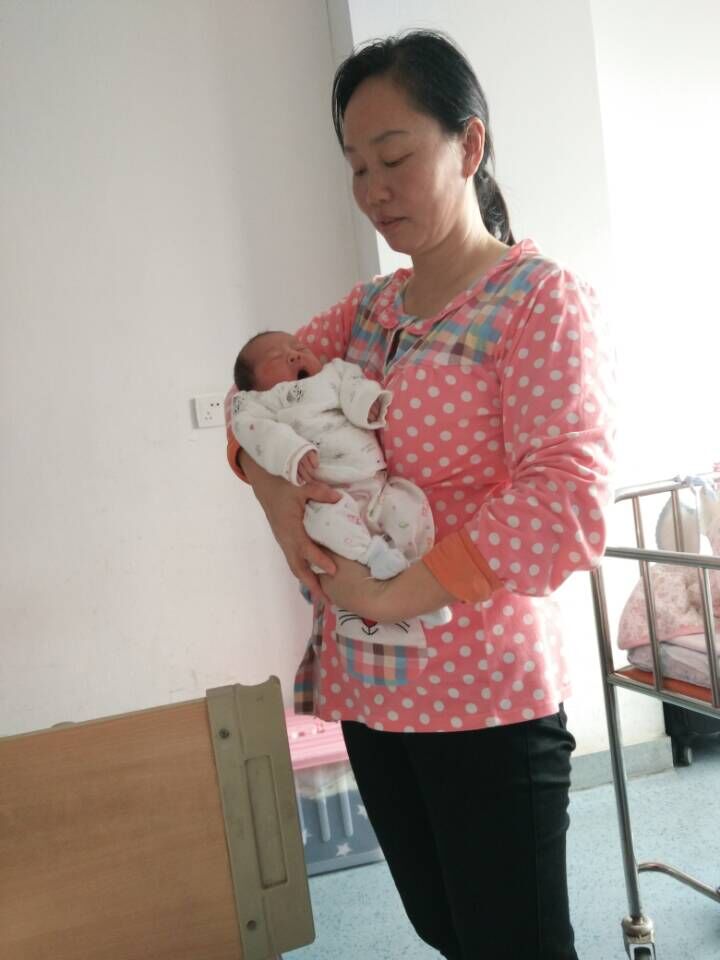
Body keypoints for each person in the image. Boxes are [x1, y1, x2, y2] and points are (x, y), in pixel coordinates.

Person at [225, 30, 614, 960]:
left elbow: (565, 497)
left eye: (394, 158)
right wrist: (282, 511)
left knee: (513, 943)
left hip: (485, 698)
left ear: (468, 145)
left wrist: (392, 593)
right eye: (356, 167)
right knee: (444, 928)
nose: (373, 189)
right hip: (374, 687)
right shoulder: (368, 311)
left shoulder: (536, 300)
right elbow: (249, 402)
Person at [231, 330, 451, 629]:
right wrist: (290, 452)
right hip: (327, 492)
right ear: (252, 383)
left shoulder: (334, 372)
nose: (293, 354)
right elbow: (251, 429)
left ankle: (414, 572)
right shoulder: (259, 402)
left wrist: (367, 404)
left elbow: (355, 388)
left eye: (298, 347)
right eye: (275, 357)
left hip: (375, 482)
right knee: (323, 524)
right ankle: (373, 557)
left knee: (410, 505)